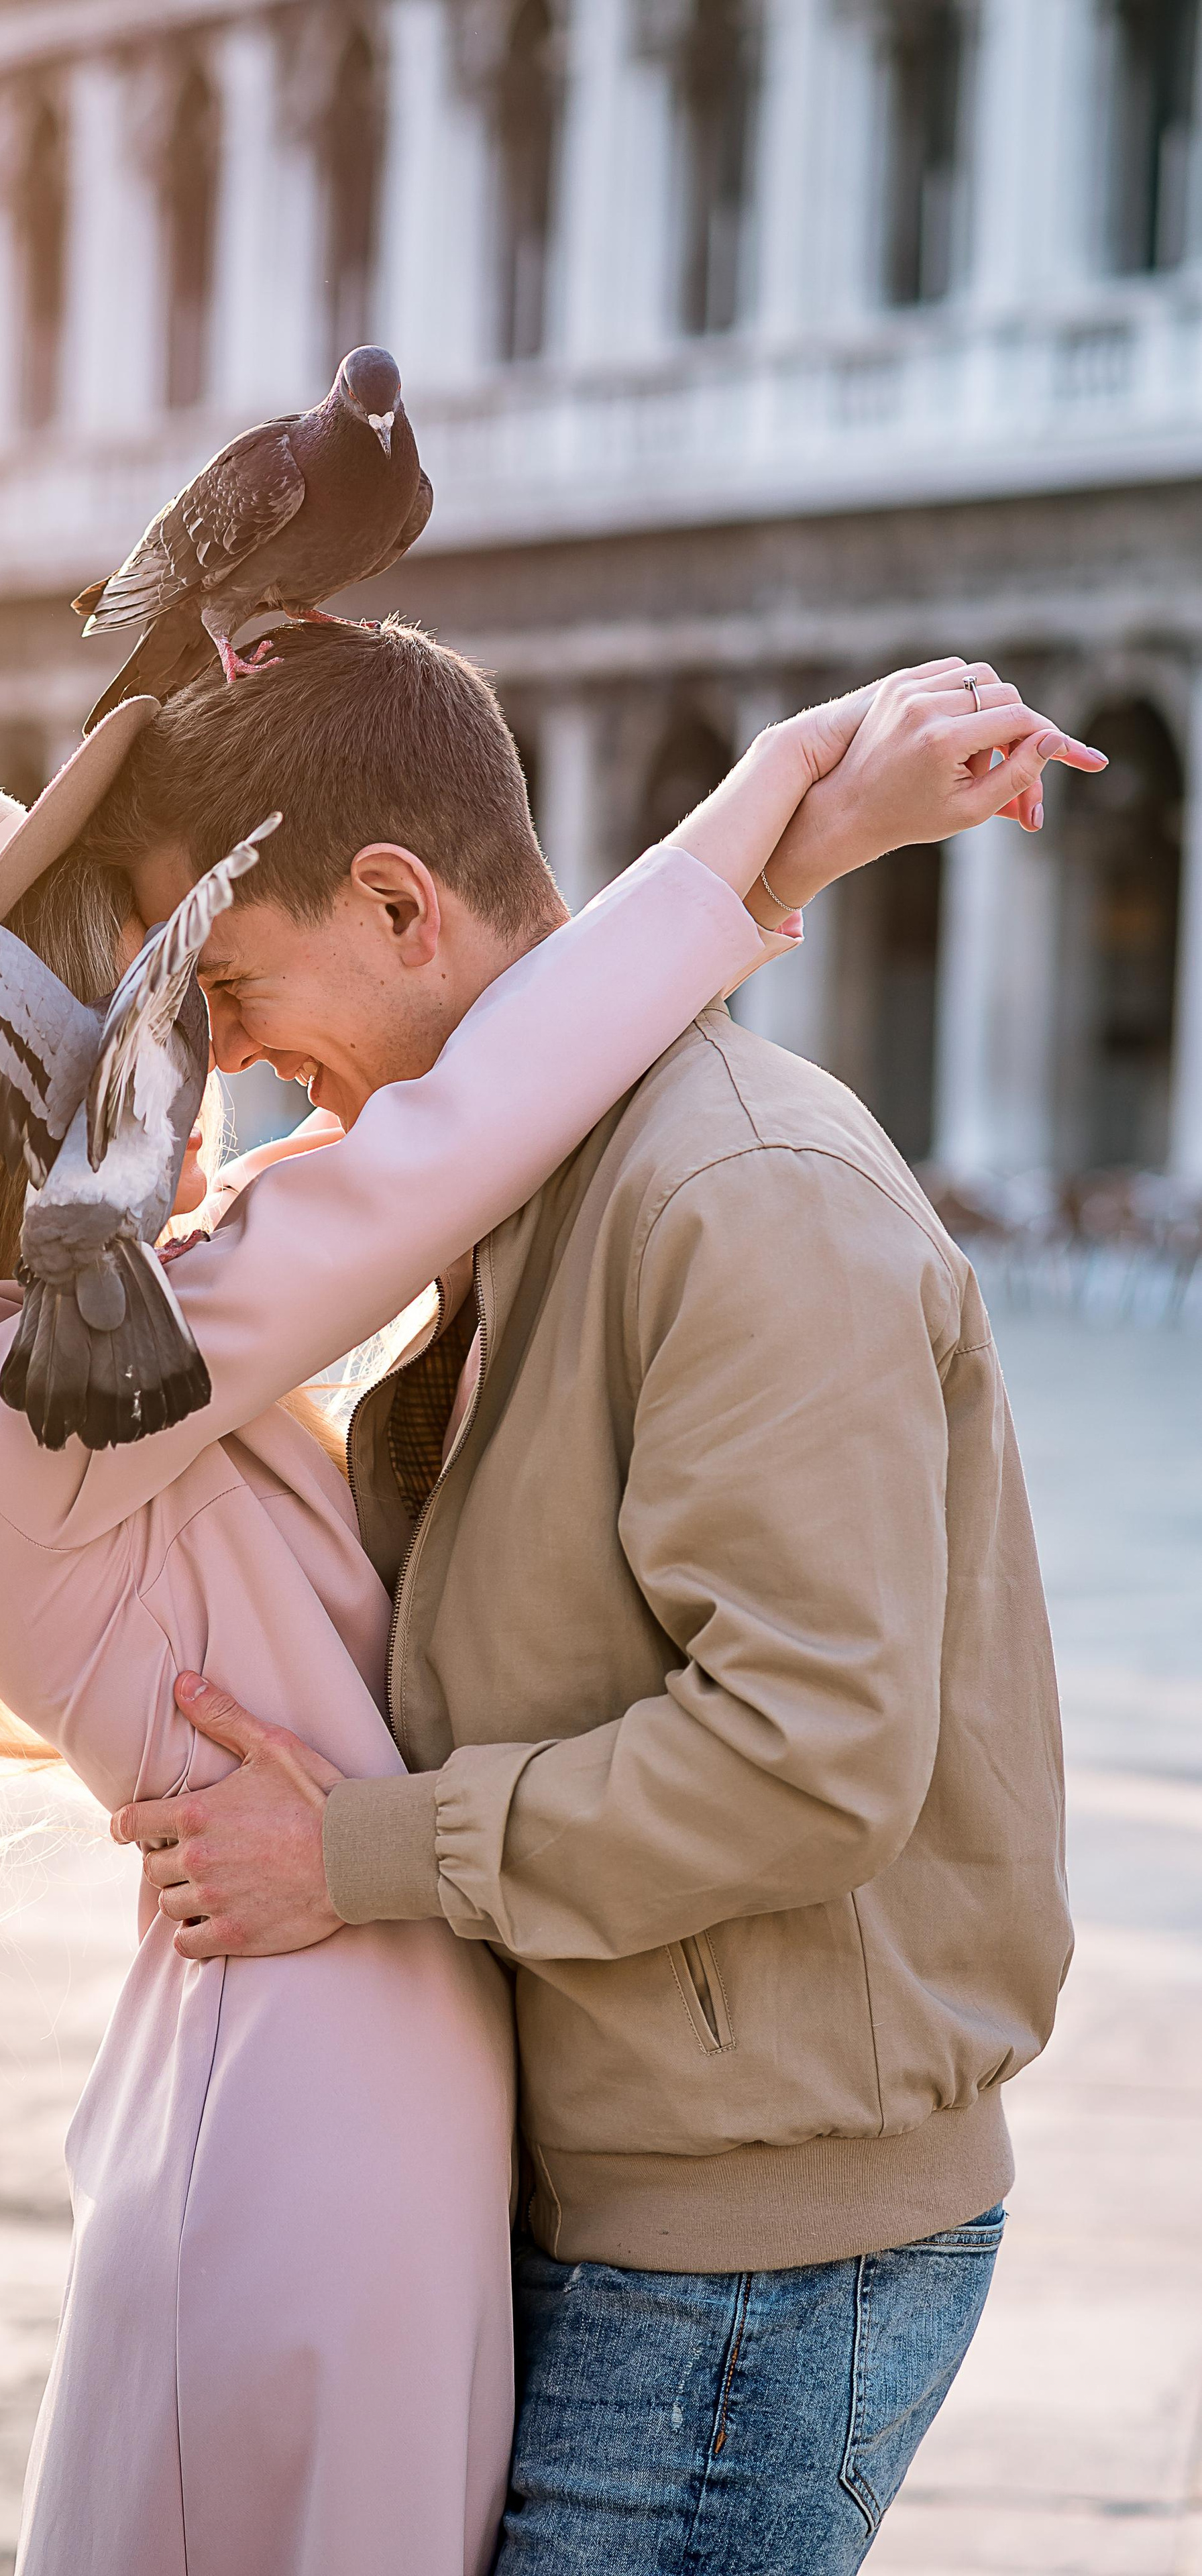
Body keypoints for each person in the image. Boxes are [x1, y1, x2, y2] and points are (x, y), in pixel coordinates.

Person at [94, 624, 1103, 2575]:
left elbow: (807, 1762)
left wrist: (360, 1858)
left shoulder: (737, 1195)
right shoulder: (532, 1198)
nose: (222, 1055)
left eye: (231, 987)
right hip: (633, 2190)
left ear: (396, 904)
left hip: (757, 2248)